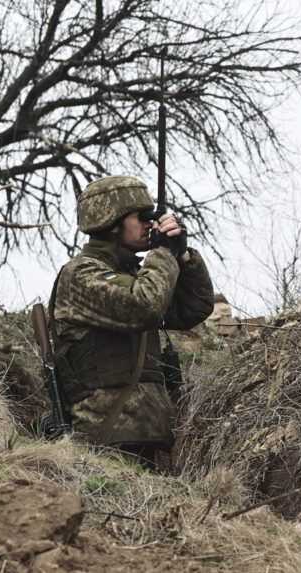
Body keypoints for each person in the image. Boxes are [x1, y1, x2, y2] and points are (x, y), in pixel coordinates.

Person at [49, 175, 214, 467]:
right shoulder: (81, 275)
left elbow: (194, 308)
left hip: (148, 436)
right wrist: (163, 253)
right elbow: (144, 305)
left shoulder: (137, 276)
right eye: (141, 217)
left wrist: (183, 255)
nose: (150, 224)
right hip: (102, 441)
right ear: (111, 222)